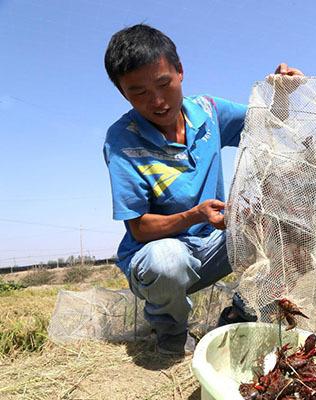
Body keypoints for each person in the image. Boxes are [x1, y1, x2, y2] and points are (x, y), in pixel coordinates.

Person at [103, 23, 302, 356]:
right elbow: (139, 228)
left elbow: (265, 124)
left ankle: (241, 310)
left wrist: (282, 93)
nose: (157, 100)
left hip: (212, 247)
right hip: (159, 260)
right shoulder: (121, 140)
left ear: (180, 72)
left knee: (289, 224)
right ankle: (170, 330)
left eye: (164, 84)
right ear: (124, 94)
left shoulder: (208, 111)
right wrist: (195, 215)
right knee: (167, 261)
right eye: (138, 92)